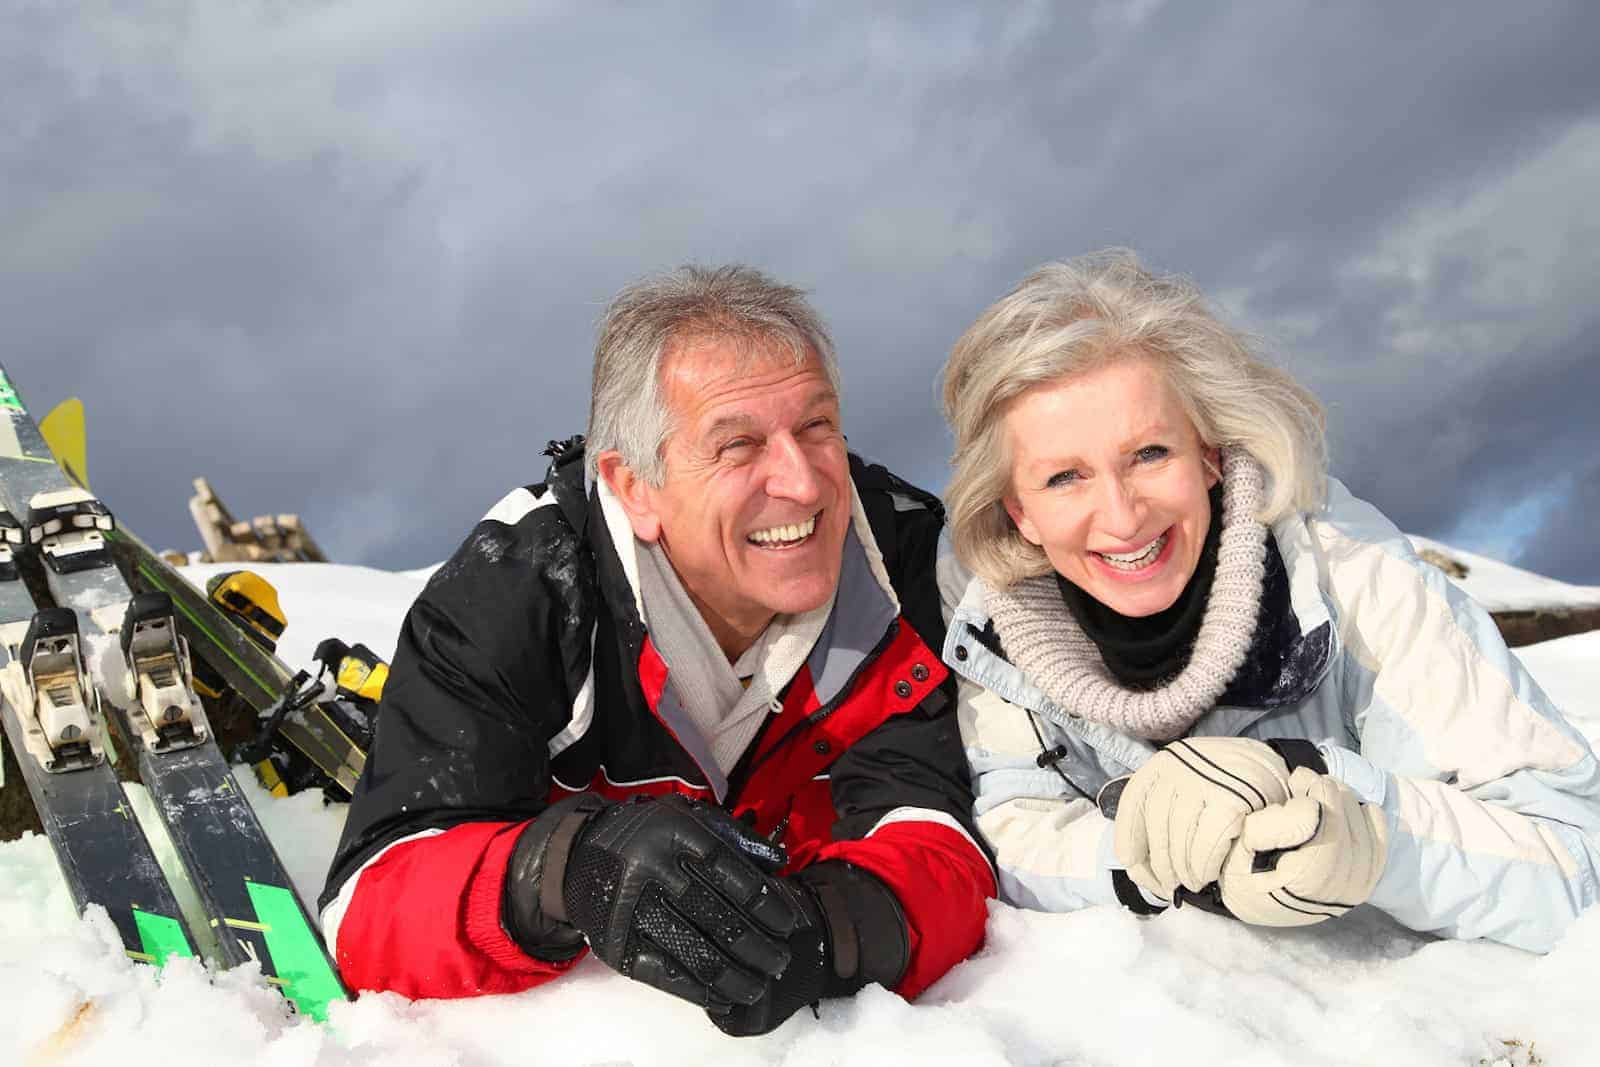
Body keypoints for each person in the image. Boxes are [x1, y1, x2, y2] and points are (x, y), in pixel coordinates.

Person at [320, 265, 994, 1035]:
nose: (804, 483)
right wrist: (565, 869)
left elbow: (944, 843)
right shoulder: (518, 591)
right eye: (738, 445)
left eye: (817, 427)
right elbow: (368, 907)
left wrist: (823, 935)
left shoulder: (905, 565)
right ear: (633, 484)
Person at [936, 249, 1599, 948]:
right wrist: (1149, 851)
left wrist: (1360, 825)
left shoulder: (1346, 575)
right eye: (1066, 477)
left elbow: (1573, 860)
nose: (1123, 515)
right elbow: (1014, 840)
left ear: (1210, 453)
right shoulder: (994, 646)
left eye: (1151, 454)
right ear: (1019, 513)